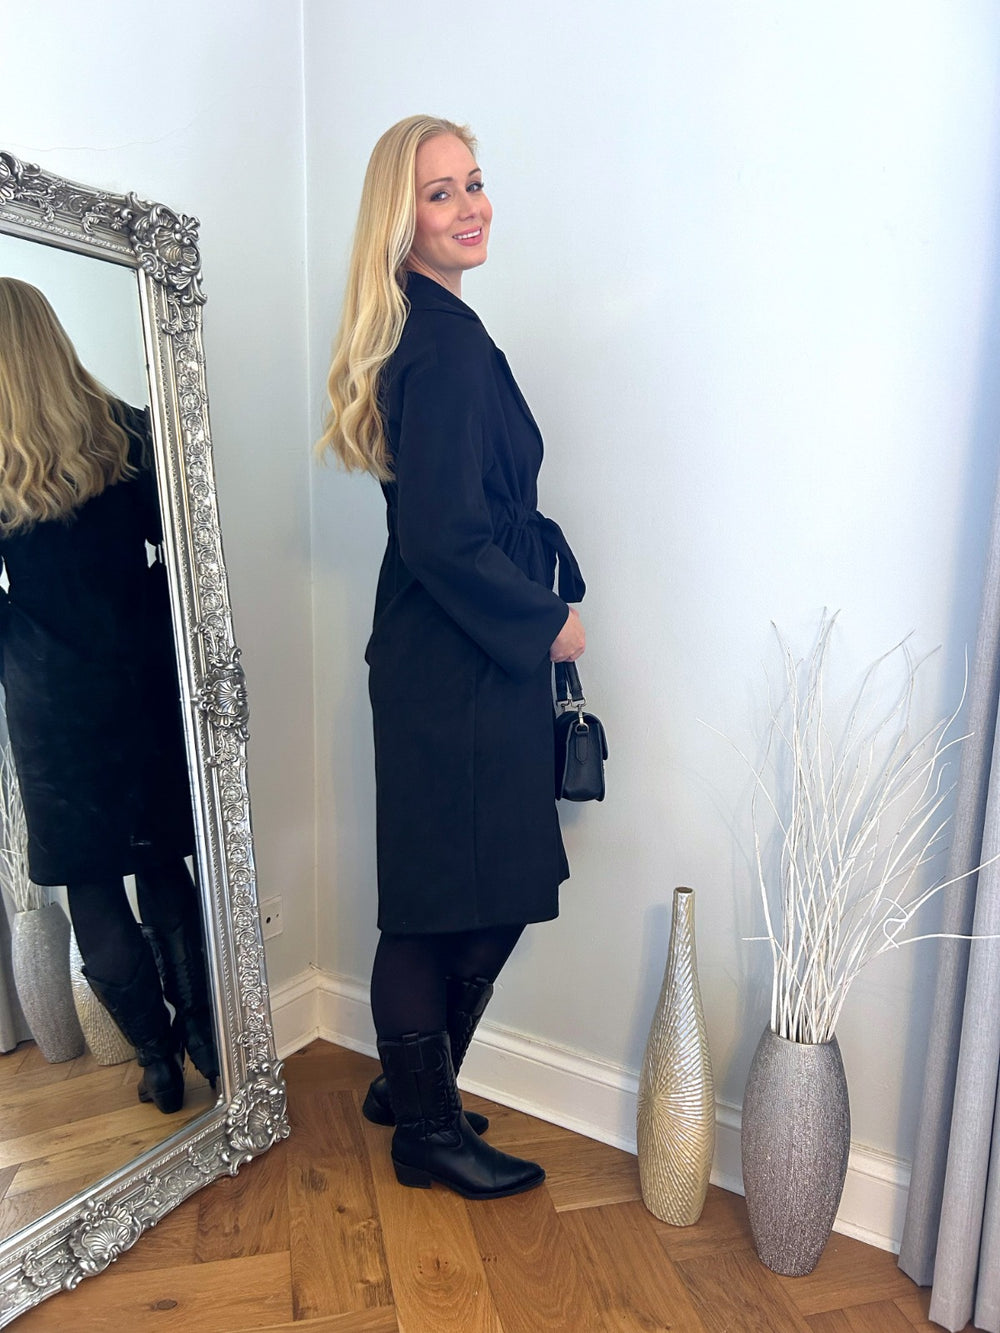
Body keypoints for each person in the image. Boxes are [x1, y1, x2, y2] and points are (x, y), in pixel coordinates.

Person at [318, 116, 587, 1199]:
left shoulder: (433, 333)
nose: (470, 206)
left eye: (473, 183)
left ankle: (411, 1088)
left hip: (455, 655)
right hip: (457, 661)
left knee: (480, 886)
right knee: (441, 902)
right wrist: (546, 620)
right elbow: (441, 537)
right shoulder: (442, 344)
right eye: (440, 193)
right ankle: (426, 1127)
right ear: (402, 220)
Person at [0, 276, 218, 1112]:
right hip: (139, 682)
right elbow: (186, 553)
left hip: (50, 704)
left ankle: (157, 1061)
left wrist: (23, 643)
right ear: (51, 338)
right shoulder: (126, 429)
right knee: (161, 860)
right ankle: (206, 1036)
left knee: (90, 884)